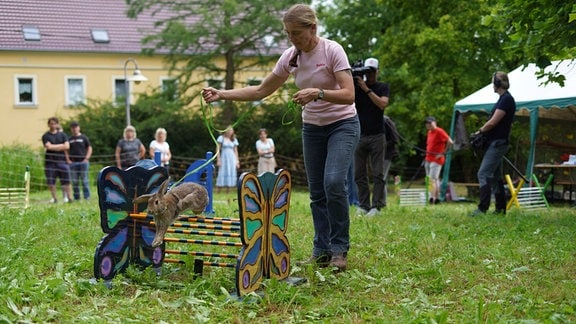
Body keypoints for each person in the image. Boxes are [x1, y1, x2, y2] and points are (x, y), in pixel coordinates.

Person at [202, 3, 359, 272]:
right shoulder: (290, 57)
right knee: (317, 192)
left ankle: (339, 249)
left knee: (334, 182)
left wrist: (317, 93)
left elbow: (349, 94)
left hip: (342, 124)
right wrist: (222, 94)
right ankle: (321, 251)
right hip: (313, 128)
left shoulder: (332, 50)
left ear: (313, 28)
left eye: (296, 33)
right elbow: (262, 90)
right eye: (287, 34)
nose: (292, 39)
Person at [471, 71, 515, 216]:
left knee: (483, 173)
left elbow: (493, 122)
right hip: (495, 142)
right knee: (496, 177)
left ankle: (483, 208)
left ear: (497, 83)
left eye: (493, 82)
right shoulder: (502, 99)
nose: (492, 85)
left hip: (498, 143)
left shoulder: (506, 99)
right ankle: (501, 209)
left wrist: (479, 131)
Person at [353, 57, 390, 217]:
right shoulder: (357, 88)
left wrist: (366, 89)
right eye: (368, 72)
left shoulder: (382, 87)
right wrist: (356, 83)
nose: (371, 75)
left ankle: (377, 206)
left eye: (373, 71)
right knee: (359, 174)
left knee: (378, 173)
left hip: (377, 135)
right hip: (360, 135)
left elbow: (382, 104)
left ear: (377, 71)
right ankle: (363, 205)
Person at [42, 117, 72, 203]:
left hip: (62, 161)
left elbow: (67, 146)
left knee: (66, 180)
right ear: (48, 124)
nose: (53, 125)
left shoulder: (63, 135)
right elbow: (48, 147)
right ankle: (54, 198)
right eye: (51, 123)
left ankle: (69, 198)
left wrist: (53, 146)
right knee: (51, 181)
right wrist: (61, 146)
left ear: (57, 124)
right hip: (50, 162)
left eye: (55, 123)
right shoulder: (45, 136)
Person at [424, 116, 453, 204]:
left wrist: (443, 153)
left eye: (430, 123)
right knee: (433, 179)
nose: (429, 125)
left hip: (437, 159)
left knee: (432, 179)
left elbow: (450, 142)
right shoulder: (429, 132)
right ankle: (436, 198)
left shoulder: (439, 131)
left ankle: (432, 199)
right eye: (427, 123)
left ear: (434, 122)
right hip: (428, 158)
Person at [66, 121, 92, 201]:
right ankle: (77, 198)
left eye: (76, 127)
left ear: (79, 128)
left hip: (83, 162)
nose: (74, 129)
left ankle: (87, 197)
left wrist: (87, 158)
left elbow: (89, 148)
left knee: (84, 181)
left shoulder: (84, 137)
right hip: (73, 163)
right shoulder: (69, 139)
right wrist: (68, 160)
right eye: (73, 128)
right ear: (71, 129)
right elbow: (66, 150)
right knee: (74, 181)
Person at [215, 127, 240, 193]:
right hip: (224, 158)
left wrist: (237, 161)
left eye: (231, 130)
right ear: (225, 131)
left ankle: (228, 192)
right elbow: (217, 149)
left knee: (230, 172)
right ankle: (218, 191)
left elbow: (236, 151)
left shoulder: (234, 139)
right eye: (228, 130)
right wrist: (218, 160)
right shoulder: (221, 138)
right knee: (222, 173)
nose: (229, 132)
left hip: (232, 159)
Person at [382, 115, 400, 206]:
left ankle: (382, 202)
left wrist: (382, 145)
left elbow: (395, 139)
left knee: (381, 177)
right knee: (380, 178)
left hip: (387, 154)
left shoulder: (386, 120)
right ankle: (381, 201)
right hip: (377, 154)